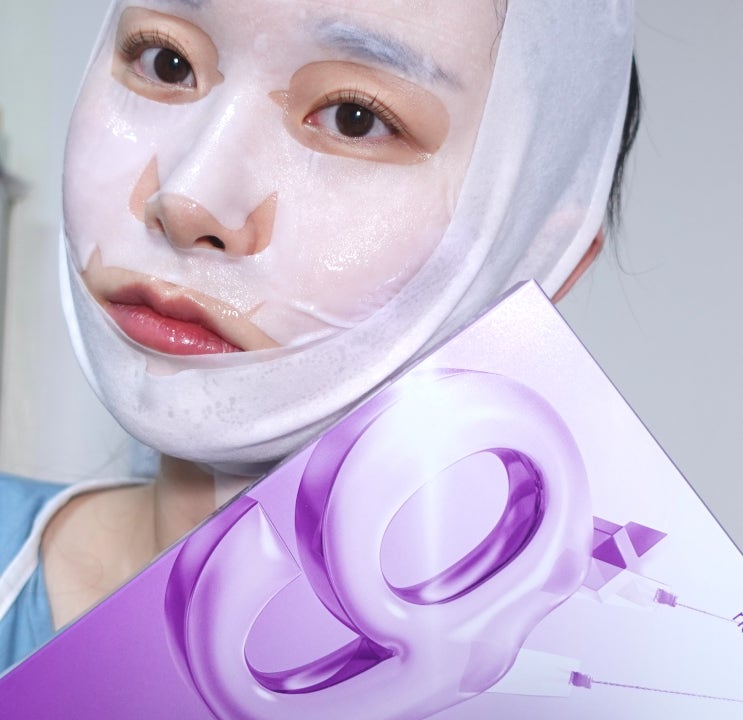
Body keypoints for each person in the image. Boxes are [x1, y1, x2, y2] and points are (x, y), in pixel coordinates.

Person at [0, 0, 637, 676]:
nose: (186, 201)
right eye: (167, 62)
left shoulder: (594, 698)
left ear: (535, 260)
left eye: (354, 117)